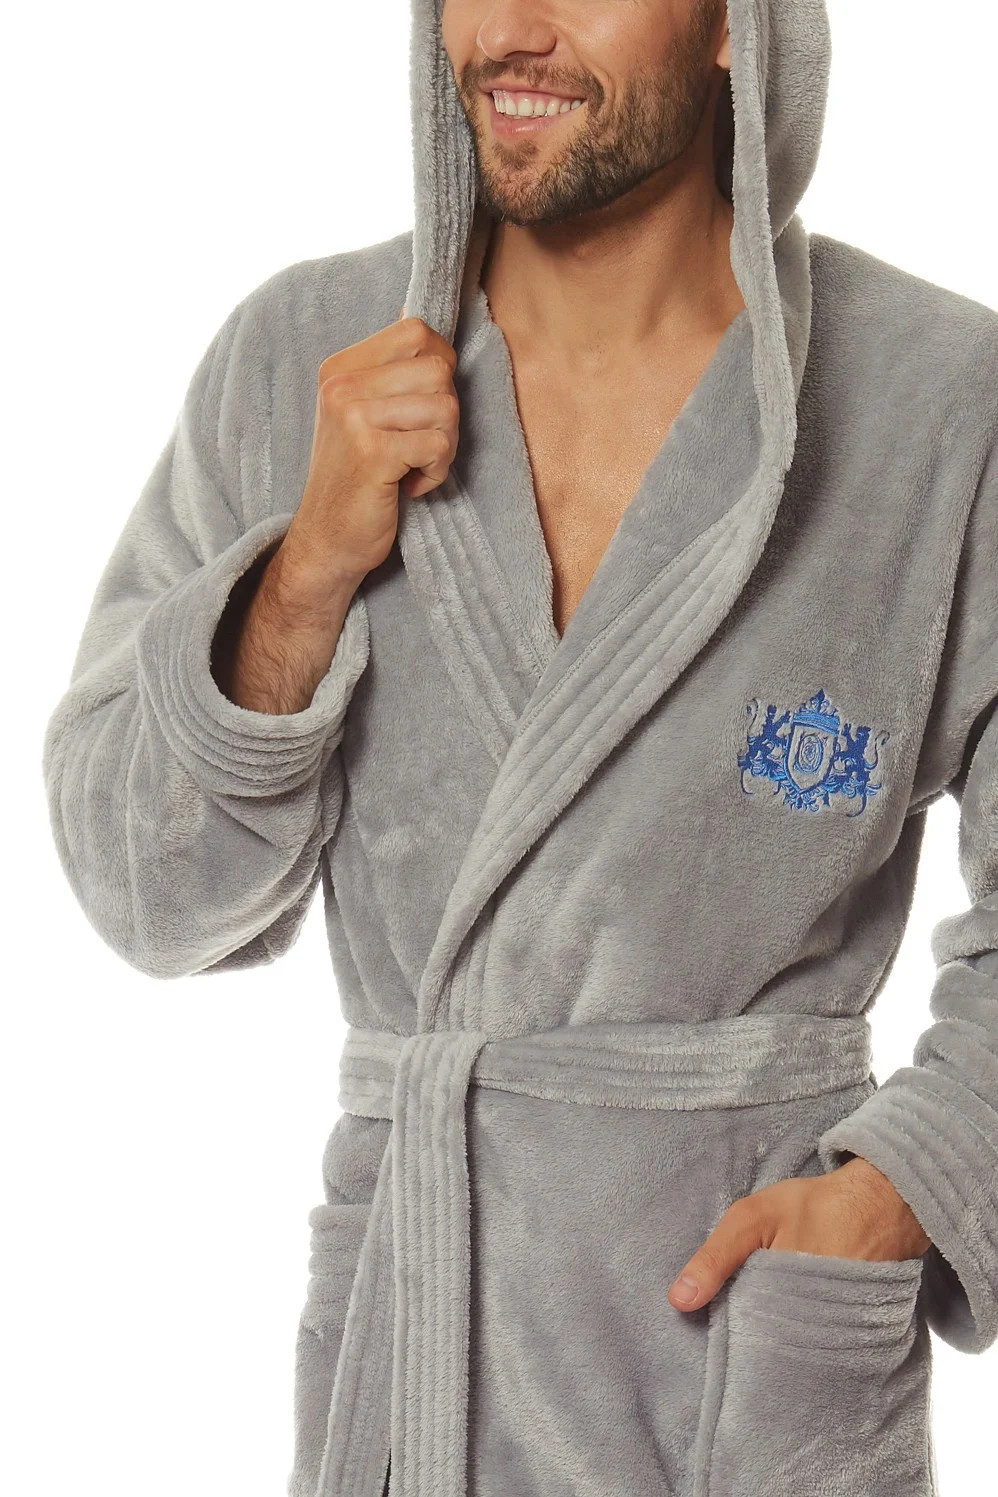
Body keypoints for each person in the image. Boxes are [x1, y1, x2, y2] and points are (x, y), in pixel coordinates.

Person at [42, 1, 998, 1494]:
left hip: (746, 1368)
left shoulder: (936, 400)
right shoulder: (303, 362)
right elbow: (142, 895)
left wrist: (909, 1186)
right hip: (412, 1347)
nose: (510, 33)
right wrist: (303, 573)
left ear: (736, 25)